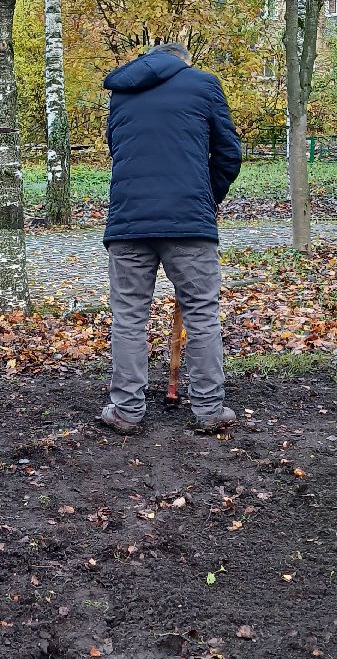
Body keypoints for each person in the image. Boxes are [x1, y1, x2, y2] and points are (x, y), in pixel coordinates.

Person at [97, 42, 242, 435]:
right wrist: (206, 199)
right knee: (202, 314)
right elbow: (228, 154)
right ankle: (209, 410)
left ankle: (126, 411)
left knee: (128, 316)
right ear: (183, 62)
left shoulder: (122, 91)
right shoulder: (204, 84)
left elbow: (118, 150)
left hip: (128, 223)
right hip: (189, 223)